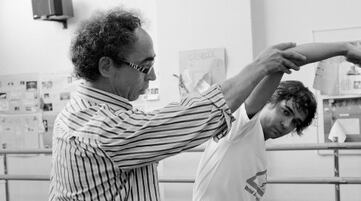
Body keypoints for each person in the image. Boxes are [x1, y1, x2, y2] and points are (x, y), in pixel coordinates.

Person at [48, 8, 311, 201]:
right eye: (145, 66)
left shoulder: (75, 112)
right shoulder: (102, 129)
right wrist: (260, 66)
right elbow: (195, 115)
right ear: (106, 66)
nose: (152, 76)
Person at [192, 43, 361, 201]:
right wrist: (343, 49)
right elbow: (284, 57)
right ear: (269, 100)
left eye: (295, 122)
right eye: (285, 111)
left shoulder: (258, 146)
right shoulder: (241, 126)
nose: (286, 125)